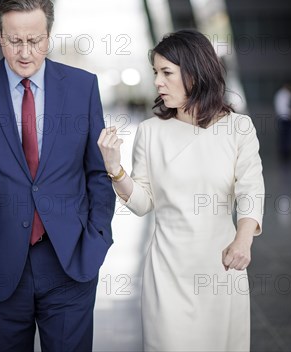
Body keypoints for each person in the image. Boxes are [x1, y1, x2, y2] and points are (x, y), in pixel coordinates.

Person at [0, 0, 115, 352]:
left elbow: (98, 171)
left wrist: (97, 236)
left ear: (49, 36)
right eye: (14, 41)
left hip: (69, 261)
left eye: (34, 40)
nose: (24, 52)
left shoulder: (82, 88)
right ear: (0, 37)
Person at [98, 29, 265, 351]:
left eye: (166, 73)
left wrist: (242, 241)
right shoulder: (150, 132)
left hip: (221, 266)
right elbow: (143, 202)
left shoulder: (238, 128)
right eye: (155, 73)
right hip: (167, 272)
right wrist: (114, 168)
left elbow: (251, 191)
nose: (158, 82)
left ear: (195, 73)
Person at [274, 83, 291, 160]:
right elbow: (282, 108)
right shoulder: (281, 95)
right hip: (283, 118)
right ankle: (283, 152)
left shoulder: (289, 94)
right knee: (283, 136)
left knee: (287, 136)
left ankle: (287, 152)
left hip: (288, 118)